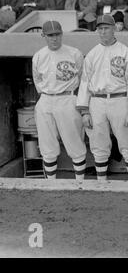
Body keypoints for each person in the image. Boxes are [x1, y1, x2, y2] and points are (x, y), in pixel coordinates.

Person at [76, 14, 128, 181]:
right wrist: (84, 111)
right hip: (97, 100)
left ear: (114, 29)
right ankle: (101, 183)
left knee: (127, 142)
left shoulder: (125, 52)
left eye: (106, 28)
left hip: (120, 99)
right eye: (100, 28)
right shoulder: (92, 54)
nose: (103, 31)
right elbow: (84, 83)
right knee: (98, 143)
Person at [32, 20, 87, 180]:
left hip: (68, 98)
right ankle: (51, 185)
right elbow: (37, 81)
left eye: (57, 34)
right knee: (47, 146)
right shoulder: (38, 56)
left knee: (75, 143)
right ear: (44, 36)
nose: (54, 38)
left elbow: (83, 80)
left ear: (62, 34)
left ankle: (80, 184)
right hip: (46, 99)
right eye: (50, 35)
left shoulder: (74, 53)